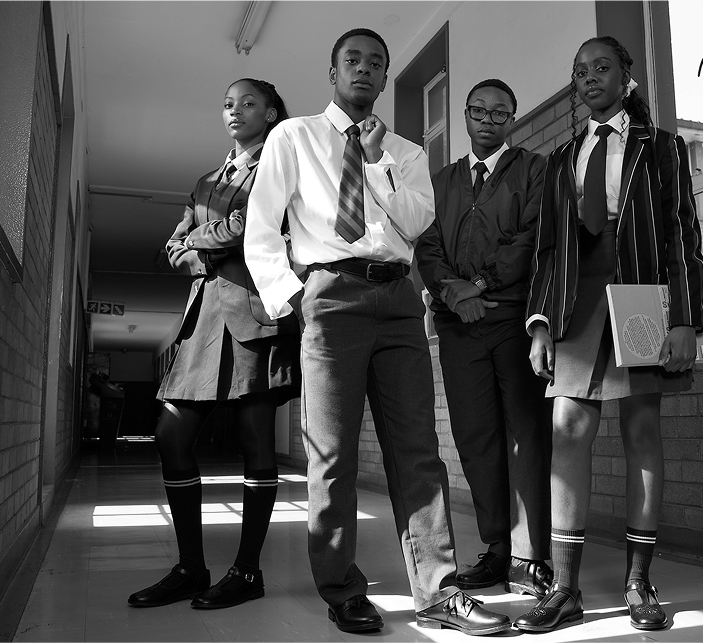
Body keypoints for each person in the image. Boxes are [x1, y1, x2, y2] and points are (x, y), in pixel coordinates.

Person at [243, 28, 510, 636]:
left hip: (396, 299)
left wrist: (376, 159)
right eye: (352, 60)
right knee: (331, 453)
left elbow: (417, 221)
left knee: (418, 449)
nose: (365, 70)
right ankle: (340, 588)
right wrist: (292, 298)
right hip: (329, 295)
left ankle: (439, 592)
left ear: (386, 78)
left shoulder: (408, 154)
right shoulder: (294, 135)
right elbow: (261, 226)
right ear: (333, 71)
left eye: (376, 64)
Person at [515, 36, 703, 633]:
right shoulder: (560, 159)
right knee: (568, 425)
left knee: (641, 426)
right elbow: (548, 250)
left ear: (626, 76)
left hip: (642, 294)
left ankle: (638, 581)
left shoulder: (665, 149)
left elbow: (682, 236)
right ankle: (566, 588)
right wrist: (540, 324)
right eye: (579, 71)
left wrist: (685, 320)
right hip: (576, 299)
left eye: (602, 67)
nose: (589, 77)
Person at [128, 79, 300, 610]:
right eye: (228, 103)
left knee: (255, 441)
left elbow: (256, 226)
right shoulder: (206, 180)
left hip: (255, 313)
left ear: (271, 113)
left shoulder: (281, 165)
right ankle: (191, 567)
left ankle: (247, 572)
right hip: (203, 319)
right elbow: (170, 248)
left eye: (248, 103)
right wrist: (205, 248)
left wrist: (200, 243)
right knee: (170, 435)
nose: (235, 111)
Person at [415, 78, 553, 600]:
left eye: (500, 113)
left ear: (512, 120)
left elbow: (533, 238)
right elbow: (427, 247)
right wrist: (454, 294)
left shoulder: (535, 171)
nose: (488, 120)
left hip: (512, 318)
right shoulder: (441, 181)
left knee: (526, 433)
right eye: (478, 111)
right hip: (458, 325)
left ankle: (530, 555)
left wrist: (482, 284)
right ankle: (497, 548)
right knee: (475, 438)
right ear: (466, 116)